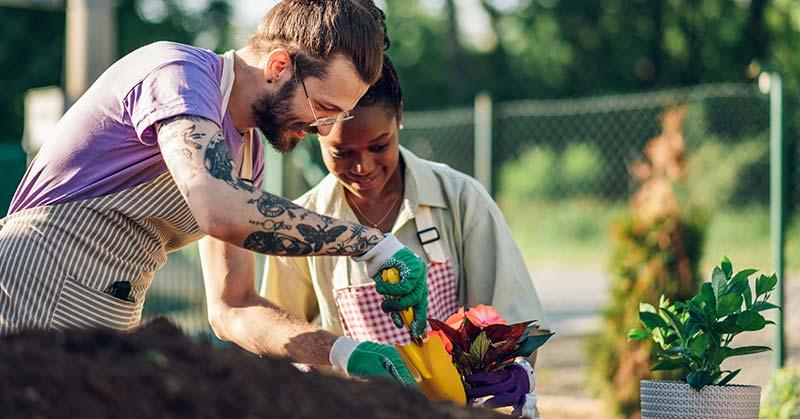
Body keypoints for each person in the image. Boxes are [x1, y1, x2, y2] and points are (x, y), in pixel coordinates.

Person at [0, 0, 427, 389]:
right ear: (279, 66)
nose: (324, 131)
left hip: (108, 323)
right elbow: (218, 207)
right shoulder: (179, 75)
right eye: (323, 110)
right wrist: (370, 244)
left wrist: (342, 353)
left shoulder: (247, 156)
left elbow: (233, 307)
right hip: (35, 289)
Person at [262, 56, 547, 417]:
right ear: (315, 131)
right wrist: (321, 367)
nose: (362, 167)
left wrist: (516, 370)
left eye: (379, 146)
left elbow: (515, 315)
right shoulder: (302, 223)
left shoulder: (460, 199)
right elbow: (278, 338)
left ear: (399, 115)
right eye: (342, 152)